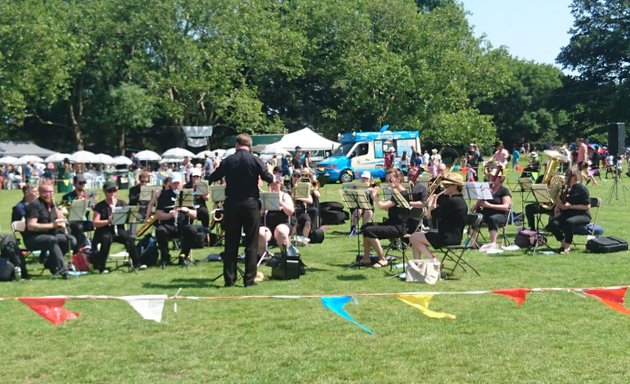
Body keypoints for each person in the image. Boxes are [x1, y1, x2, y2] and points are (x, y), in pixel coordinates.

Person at [208, 133, 273, 287]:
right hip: (250, 204)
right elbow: (269, 178)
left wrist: (219, 167)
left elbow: (213, 177)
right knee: (251, 242)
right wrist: (268, 169)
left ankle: (229, 279)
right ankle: (249, 279)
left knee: (231, 242)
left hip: (232, 205)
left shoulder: (229, 160)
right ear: (249, 145)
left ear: (237, 145)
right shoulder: (255, 160)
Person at [358, 168, 422, 268]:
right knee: (365, 227)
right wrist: (379, 199)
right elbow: (389, 210)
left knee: (369, 230)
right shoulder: (395, 193)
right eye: (387, 180)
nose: (388, 183)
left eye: (391, 180)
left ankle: (382, 259)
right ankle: (366, 258)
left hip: (398, 227)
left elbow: (381, 206)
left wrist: (374, 196)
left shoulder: (402, 194)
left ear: (399, 179)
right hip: (391, 223)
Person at [409, 173, 467, 261]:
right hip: (453, 236)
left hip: (446, 237)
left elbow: (429, 216)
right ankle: (417, 264)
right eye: (443, 185)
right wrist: (434, 204)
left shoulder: (452, 202)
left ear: (455, 186)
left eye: (446, 185)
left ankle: (433, 261)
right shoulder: (459, 200)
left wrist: (430, 203)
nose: (443, 187)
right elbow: (436, 214)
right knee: (415, 237)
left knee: (414, 237)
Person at [24, 182, 74, 279]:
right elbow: (31, 226)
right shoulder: (34, 205)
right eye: (47, 192)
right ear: (40, 193)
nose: (50, 194)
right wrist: (52, 225)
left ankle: (50, 262)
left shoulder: (53, 205)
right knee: (51, 240)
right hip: (33, 238)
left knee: (71, 240)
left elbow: (57, 224)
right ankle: (63, 269)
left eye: (52, 192)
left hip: (50, 236)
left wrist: (61, 219)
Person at [92, 182, 141, 273]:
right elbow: (95, 223)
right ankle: (102, 267)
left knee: (130, 238)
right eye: (109, 191)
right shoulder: (100, 206)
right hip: (105, 230)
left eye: (114, 191)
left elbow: (130, 218)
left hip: (119, 230)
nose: (112, 193)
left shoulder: (122, 203)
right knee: (106, 238)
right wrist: (107, 221)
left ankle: (137, 263)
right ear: (105, 192)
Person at [154, 172, 198, 268]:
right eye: (174, 183)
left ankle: (183, 256)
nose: (176, 185)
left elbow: (195, 215)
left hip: (183, 226)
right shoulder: (164, 195)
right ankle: (165, 257)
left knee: (192, 230)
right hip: (168, 226)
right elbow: (158, 214)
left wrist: (186, 210)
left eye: (178, 183)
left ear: (182, 183)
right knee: (160, 231)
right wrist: (169, 215)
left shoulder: (187, 195)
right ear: (170, 184)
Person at [547, 167, 591, 254]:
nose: (566, 177)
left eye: (569, 176)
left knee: (569, 222)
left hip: (582, 215)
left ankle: (567, 247)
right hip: (568, 213)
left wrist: (571, 206)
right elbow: (560, 201)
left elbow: (587, 206)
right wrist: (557, 209)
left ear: (575, 177)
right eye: (566, 175)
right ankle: (563, 243)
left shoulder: (581, 188)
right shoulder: (565, 188)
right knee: (552, 224)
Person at [471, 168, 512, 253]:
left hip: (500, 215)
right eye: (490, 176)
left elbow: (506, 206)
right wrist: (478, 202)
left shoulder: (504, 190)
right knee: (474, 218)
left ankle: (493, 243)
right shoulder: (485, 189)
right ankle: (473, 243)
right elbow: (474, 208)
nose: (492, 178)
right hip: (485, 214)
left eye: (494, 177)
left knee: (492, 219)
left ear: (500, 179)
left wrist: (490, 205)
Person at [258, 177, 295, 258]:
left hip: (282, 223)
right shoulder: (265, 196)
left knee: (281, 231)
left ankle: (286, 256)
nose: (274, 185)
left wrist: (281, 203)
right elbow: (259, 214)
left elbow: (291, 212)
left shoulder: (285, 196)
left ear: (280, 183)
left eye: (276, 183)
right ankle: (262, 257)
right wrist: (262, 209)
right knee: (260, 233)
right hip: (267, 224)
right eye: (272, 183)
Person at [61, 174, 93, 251]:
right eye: (80, 183)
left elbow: (95, 207)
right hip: (72, 221)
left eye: (84, 183)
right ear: (75, 184)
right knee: (78, 227)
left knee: (98, 225)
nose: (83, 185)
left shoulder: (88, 195)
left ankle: (94, 247)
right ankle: (79, 249)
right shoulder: (67, 197)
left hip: (85, 221)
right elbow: (62, 209)